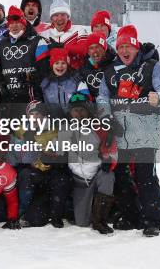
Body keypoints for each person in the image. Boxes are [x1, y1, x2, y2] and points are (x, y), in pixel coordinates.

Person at [97, 24, 160, 237]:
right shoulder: (111, 70)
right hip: (120, 135)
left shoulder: (151, 66)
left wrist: (159, 97)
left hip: (145, 133)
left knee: (145, 178)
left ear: (136, 47)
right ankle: (132, 218)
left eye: (128, 47)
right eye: (120, 47)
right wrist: (105, 116)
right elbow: (102, 97)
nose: (124, 51)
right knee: (121, 179)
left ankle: (153, 221)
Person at [58, 93, 117, 234]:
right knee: (82, 223)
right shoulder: (64, 129)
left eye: (82, 110)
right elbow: (58, 151)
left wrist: (109, 161)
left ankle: (100, 221)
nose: (79, 114)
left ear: (88, 110)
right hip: (78, 180)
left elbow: (111, 149)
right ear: (70, 112)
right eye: (75, 110)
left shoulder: (99, 127)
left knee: (108, 176)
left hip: (96, 175)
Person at [0, 6, 49, 103]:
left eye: (17, 22)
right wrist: (1, 83)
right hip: (9, 97)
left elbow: (45, 69)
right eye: (11, 23)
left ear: (23, 23)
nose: (14, 26)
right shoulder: (3, 43)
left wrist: (32, 77)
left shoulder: (38, 41)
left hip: (32, 96)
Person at [39, 0, 89, 69]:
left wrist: (63, 46)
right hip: (51, 76)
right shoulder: (44, 35)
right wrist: (49, 48)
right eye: (55, 15)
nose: (59, 18)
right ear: (51, 18)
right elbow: (39, 56)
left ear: (68, 17)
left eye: (63, 15)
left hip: (75, 75)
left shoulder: (79, 30)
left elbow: (83, 51)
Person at [40, 48, 90, 115]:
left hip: (75, 121)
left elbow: (87, 104)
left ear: (67, 65)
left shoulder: (77, 81)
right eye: (56, 63)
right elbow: (46, 107)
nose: (60, 66)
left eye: (63, 63)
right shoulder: (46, 84)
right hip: (56, 122)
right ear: (52, 65)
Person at [79, 32, 115, 100]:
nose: (95, 51)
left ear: (104, 48)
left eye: (97, 47)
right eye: (91, 48)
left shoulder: (114, 65)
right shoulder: (84, 68)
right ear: (88, 52)